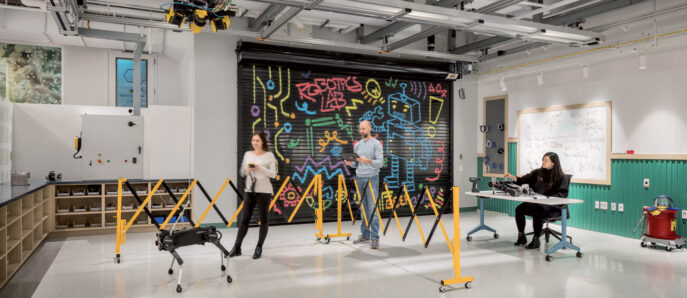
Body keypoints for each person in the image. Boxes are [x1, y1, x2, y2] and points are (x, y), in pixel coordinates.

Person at [505, 152, 569, 249]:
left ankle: (536, 239)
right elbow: (524, 180)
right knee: (519, 209)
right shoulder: (538, 173)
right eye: (543, 160)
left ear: (553, 163)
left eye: (546, 160)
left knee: (538, 210)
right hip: (537, 202)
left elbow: (562, 194)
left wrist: (547, 199)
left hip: (553, 206)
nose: (543, 162)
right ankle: (521, 236)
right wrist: (513, 177)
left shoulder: (561, 177)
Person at [229, 131, 277, 259]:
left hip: (264, 191)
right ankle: (237, 247)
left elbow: (273, 174)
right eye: (253, 140)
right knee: (244, 219)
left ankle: (259, 247)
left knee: (264, 219)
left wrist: (259, 168)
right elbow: (242, 172)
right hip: (249, 190)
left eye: (257, 140)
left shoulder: (269, 155)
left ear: (262, 142)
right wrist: (247, 169)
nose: (254, 143)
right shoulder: (248, 154)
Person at [344, 120, 383, 249]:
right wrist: (351, 164)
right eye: (360, 129)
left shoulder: (376, 144)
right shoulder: (357, 145)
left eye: (364, 129)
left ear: (370, 128)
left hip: (372, 179)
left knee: (373, 208)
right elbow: (357, 163)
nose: (361, 131)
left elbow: (380, 163)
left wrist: (368, 160)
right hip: (359, 179)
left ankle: (375, 237)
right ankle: (365, 235)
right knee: (363, 208)